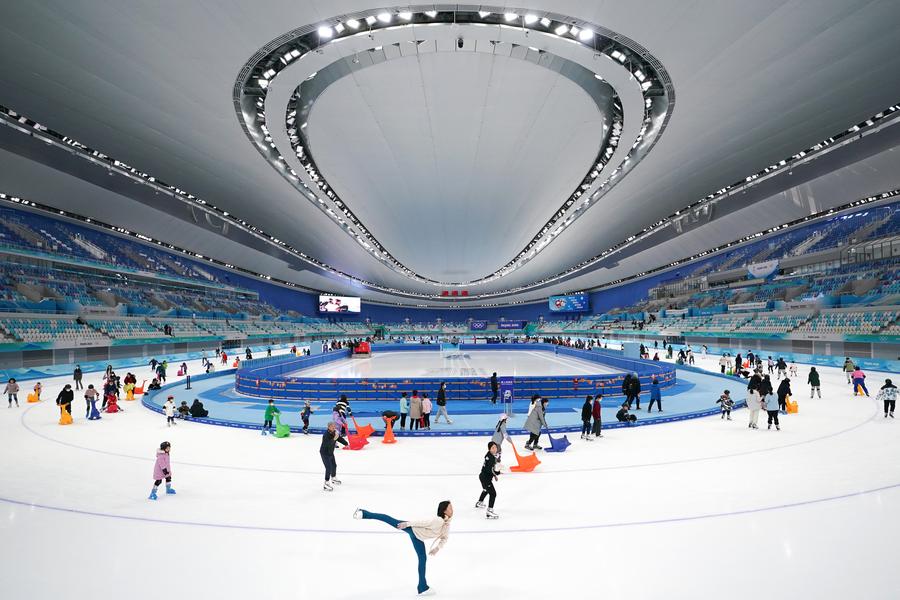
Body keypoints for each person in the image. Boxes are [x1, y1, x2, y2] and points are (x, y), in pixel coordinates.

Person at [353, 501, 453, 596]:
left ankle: (422, 587)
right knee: (391, 520)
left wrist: (437, 548)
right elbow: (422, 522)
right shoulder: (438, 521)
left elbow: (445, 538)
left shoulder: (447, 523)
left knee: (422, 559)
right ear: (444, 510)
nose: (452, 509)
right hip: (413, 529)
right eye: (450, 507)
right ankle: (364, 513)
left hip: (418, 537)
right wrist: (407, 524)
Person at [475, 442, 501, 519]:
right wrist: (497, 472)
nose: (495, 449)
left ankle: (479, 502)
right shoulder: (491, 458)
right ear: (489, 449)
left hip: (482, 476)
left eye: (495, 447)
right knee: (493, 494)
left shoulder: (488, 455)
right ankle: (489, 511)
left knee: (486, 489)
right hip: (486, 478)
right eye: (493, 448)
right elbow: (490, 470)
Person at [320, 421, 348, 491]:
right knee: (328, 468)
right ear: (329, 427)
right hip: (324, 453)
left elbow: (339, 438)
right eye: (333, 426)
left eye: (334, 426)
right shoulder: (326, 435)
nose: (334, 427)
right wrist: (334, 439)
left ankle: (333, 478)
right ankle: (326, 484)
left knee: (334, 465)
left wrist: (346, 443)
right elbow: (328, 444)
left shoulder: (334, 432)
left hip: (330, 452)